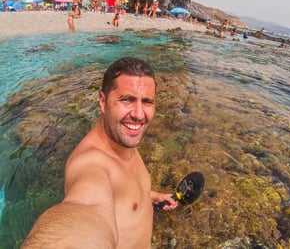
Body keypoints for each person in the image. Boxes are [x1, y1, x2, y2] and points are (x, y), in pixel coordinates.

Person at [21, 57, 178, 248]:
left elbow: (122, 187)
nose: (138, 114)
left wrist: (149, 195)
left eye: (147, 102)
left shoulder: (123, 139)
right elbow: (85, 209)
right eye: (126, 100)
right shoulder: (91, 164)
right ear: (103, 102)